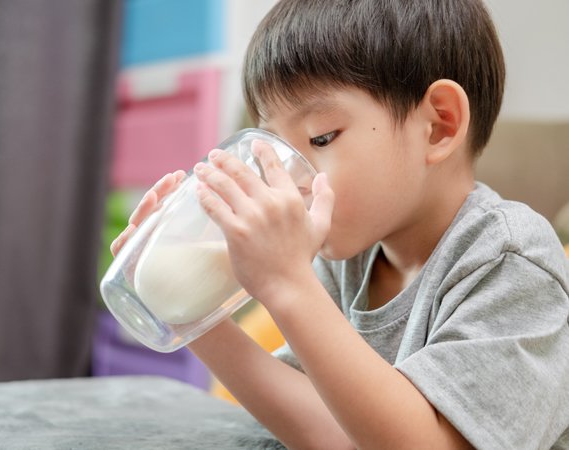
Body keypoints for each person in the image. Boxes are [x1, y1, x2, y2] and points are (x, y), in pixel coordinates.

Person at [111, 0, 569, 448]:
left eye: (320, 137)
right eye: (272, 149)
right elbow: (328, 432)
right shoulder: (350, 256)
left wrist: (289, 286)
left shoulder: (510, 261)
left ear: (438, 126)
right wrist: (193, 314)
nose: (290, 180)